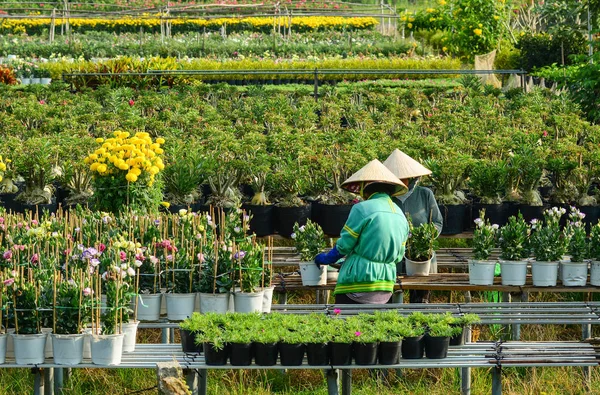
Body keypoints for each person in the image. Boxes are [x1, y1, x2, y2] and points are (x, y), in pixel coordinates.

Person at [315, 159, 409, 304]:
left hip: (358, 282)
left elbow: (345, 245)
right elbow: (399, 256)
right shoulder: (400, 214)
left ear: (366, 188)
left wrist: (328, 258)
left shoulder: (362, 208)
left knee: (347, 324)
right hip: (385, 285)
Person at [383, 149, 443, 303]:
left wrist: (423, 239)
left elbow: (437, 222)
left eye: (404, 178)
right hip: (393, 254)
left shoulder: (425, 194)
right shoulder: (386, 198)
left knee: (420, 300)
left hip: (421, 255)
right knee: (393, 297)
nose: (401, 181)